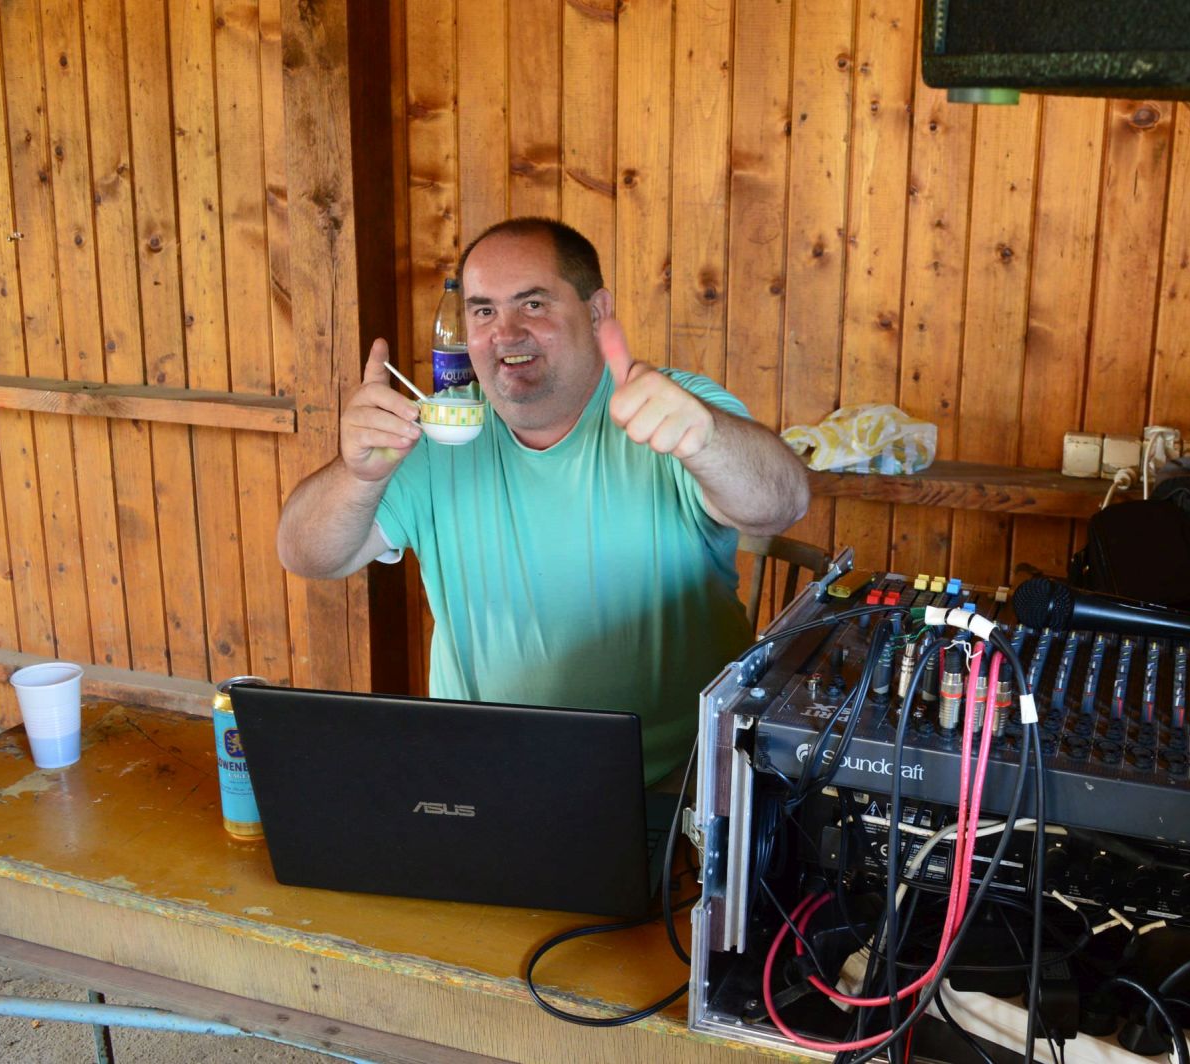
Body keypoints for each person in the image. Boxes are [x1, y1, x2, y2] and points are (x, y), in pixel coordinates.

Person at [276, 217, 810, 784]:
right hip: (485, 779)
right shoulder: (439, 430)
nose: (505, 333)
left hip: (675, 789)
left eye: (532, 305)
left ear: (597, 312)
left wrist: (707, 438)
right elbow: (308, 556)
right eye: (483, 311)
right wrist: (358, 476)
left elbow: (781, 505)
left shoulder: (671, 407)